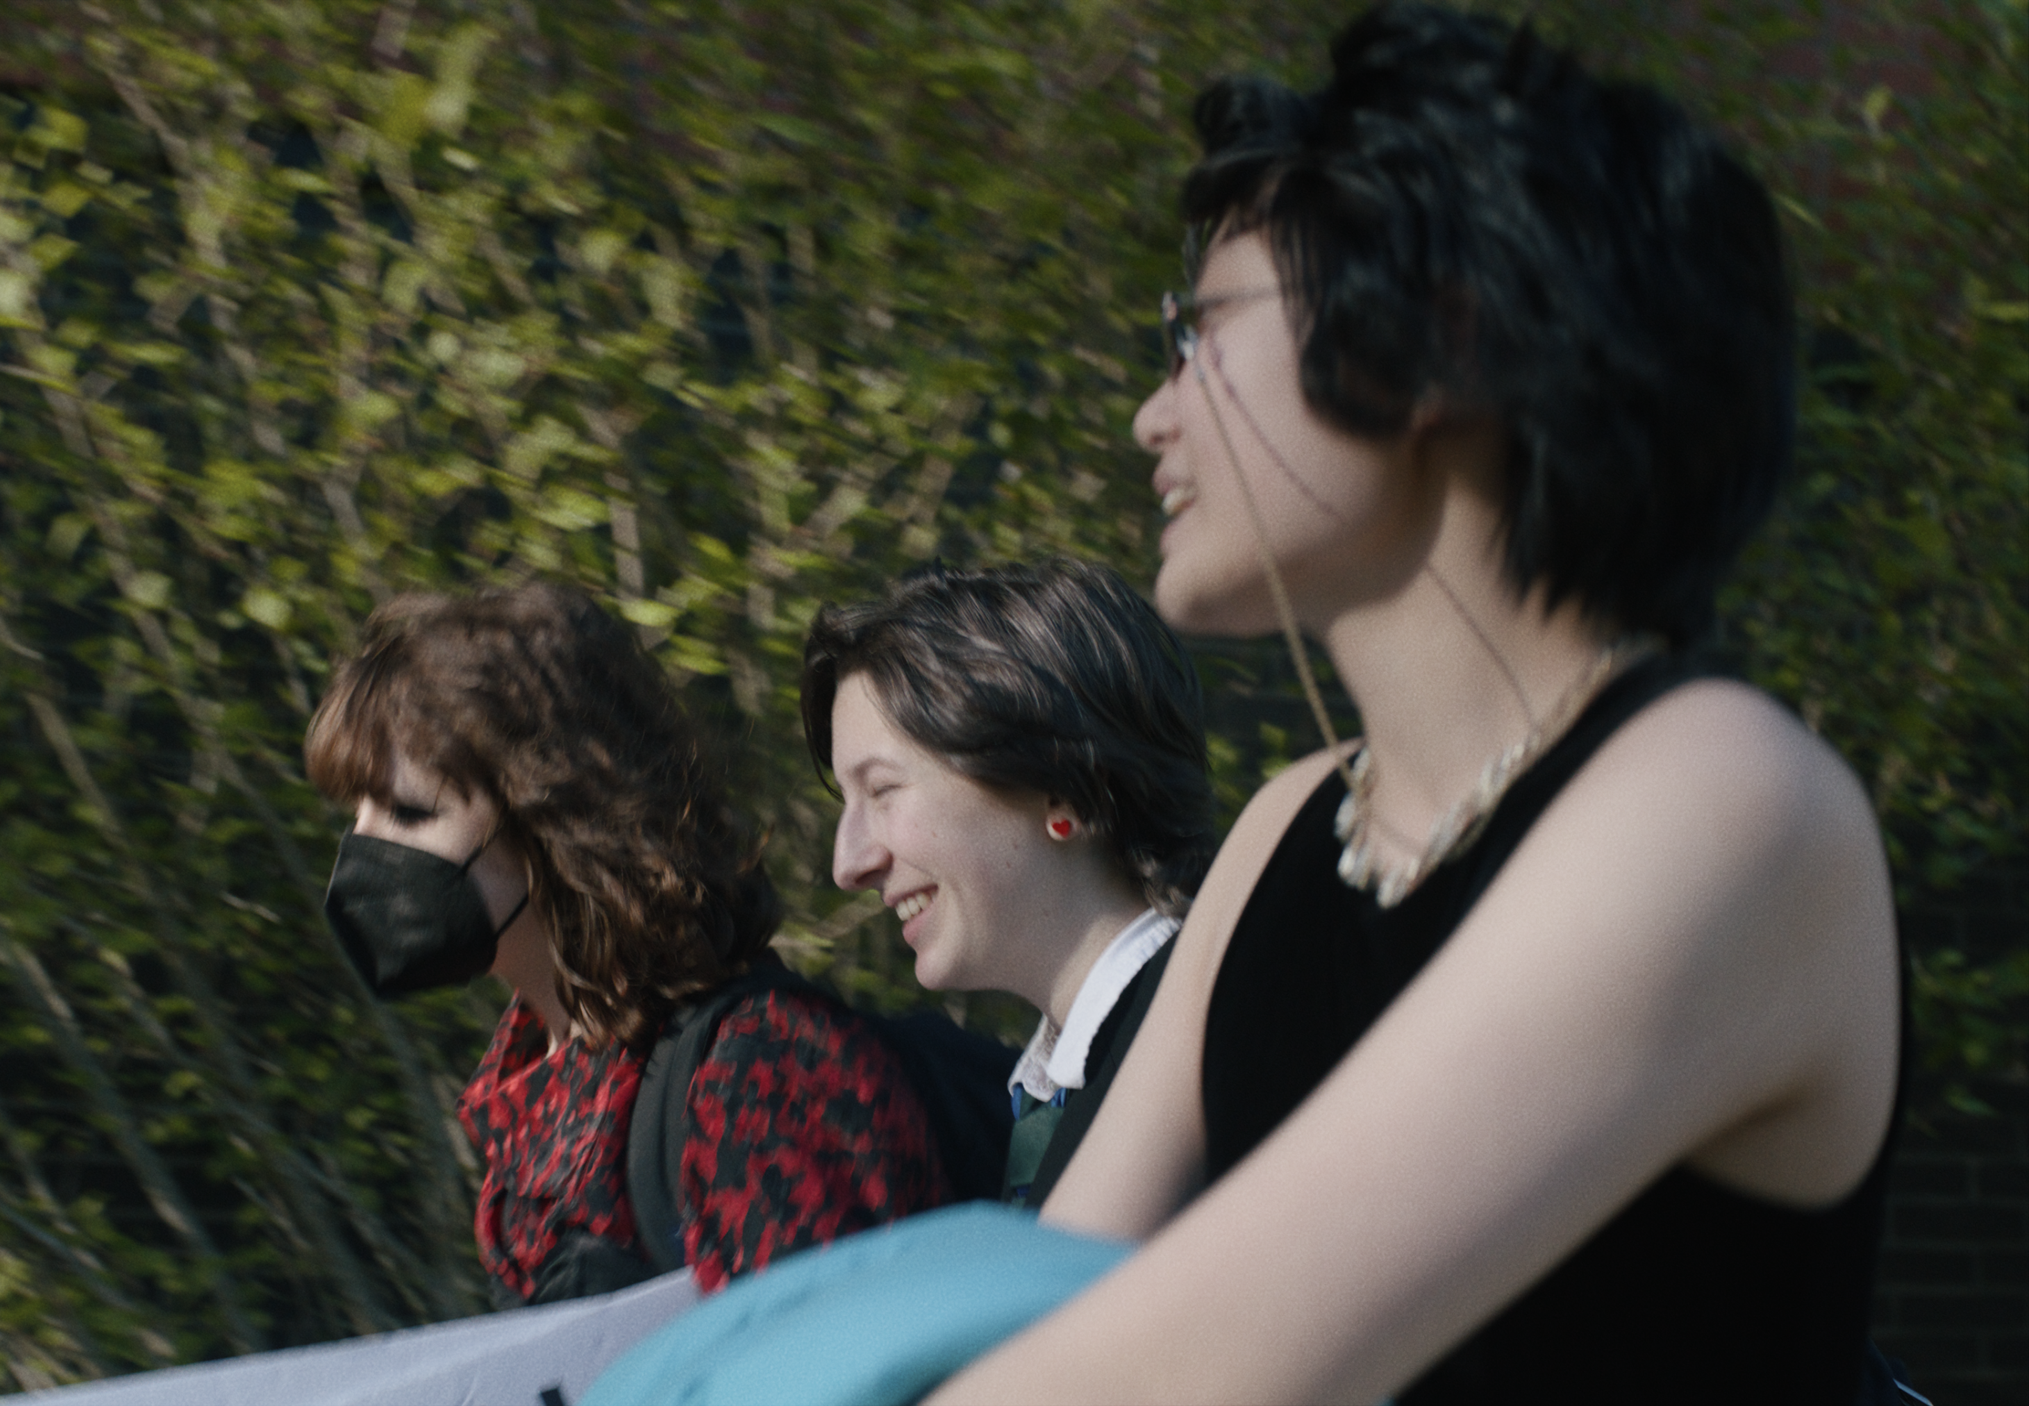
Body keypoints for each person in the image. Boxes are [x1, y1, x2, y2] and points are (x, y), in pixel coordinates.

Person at [930, 5, 1902, 1401]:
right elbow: (1051, 1314)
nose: (1156, 415)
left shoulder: (1731, 800)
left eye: (1200, 330)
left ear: (1441, 339)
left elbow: (1193, 1356)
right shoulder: (1282, 831)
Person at [303, 582, 950, 1306]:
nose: (361, 847)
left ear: (553, 813)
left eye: (407, 812)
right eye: (354, 811)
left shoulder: (762, 1069)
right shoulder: (528, 1094)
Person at [800, 559, 1212, 1205]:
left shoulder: (1219, 1054)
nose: (847, 864)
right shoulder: (1068, 1085)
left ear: (1061, 787)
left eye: (883, 790)